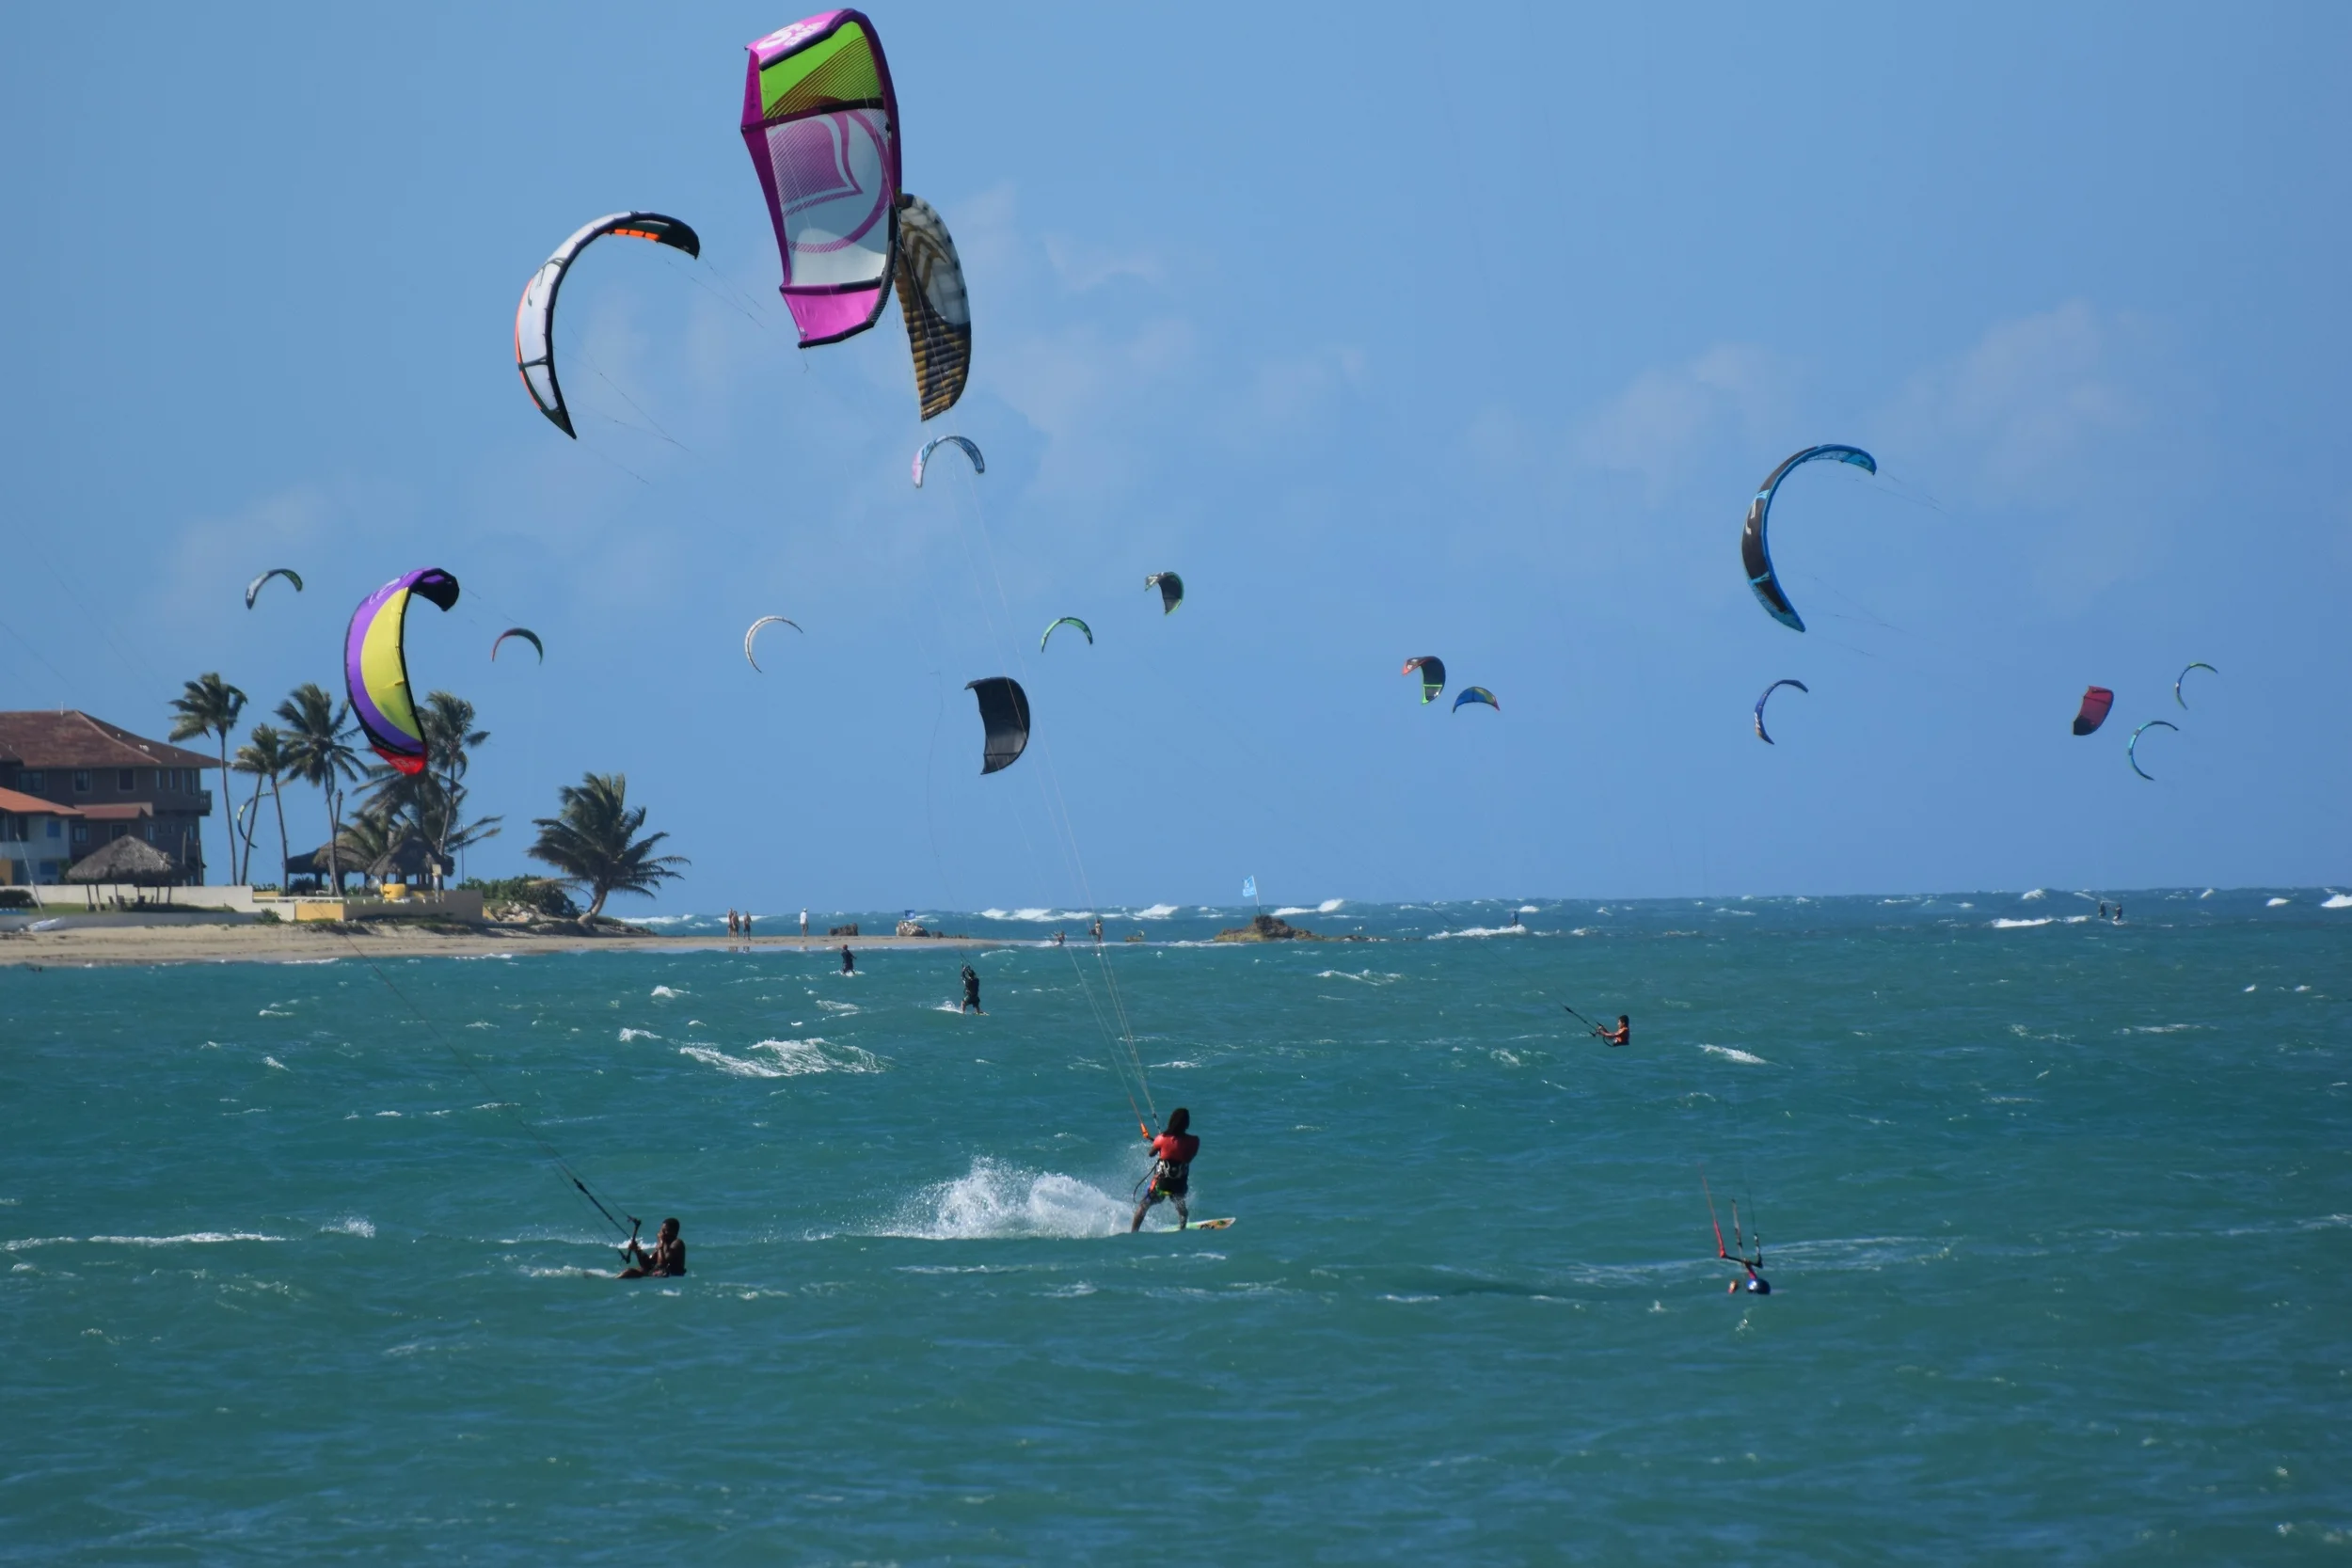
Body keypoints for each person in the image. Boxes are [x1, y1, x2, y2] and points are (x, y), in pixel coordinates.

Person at [1131, 1107, 1200, 1232]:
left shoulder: (1161, 1139)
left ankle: (1134, 1231)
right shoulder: (1194, 1141)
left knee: (1143, 1206)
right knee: (1181, 1208)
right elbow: (1189, 1158)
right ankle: (1182, 1228)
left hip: (1162, 1183)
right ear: (1187, 1124)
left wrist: (1159, 1144)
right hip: (1179, 1184)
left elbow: (1151, 1154)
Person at [618, 1217, 687, 1279]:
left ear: (673, 1232)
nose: (662, 1233)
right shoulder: (663, 1243)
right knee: (630, 1272)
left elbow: (661, 1265)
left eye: (665, 1231)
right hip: (657, 1272)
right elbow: (648, 1264)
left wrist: (661, 1242)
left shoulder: (677, 1243)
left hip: (669, 1275)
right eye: (661, 1230)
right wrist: (637, 1250)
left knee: (660, 1272)